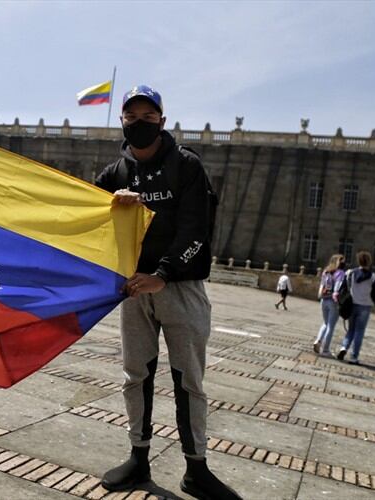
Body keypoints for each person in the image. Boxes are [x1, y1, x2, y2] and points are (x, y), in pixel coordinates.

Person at [94, 85, 241, 499]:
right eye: (132, 117)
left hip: (180, 286)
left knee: (188, 380)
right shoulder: (115, 175)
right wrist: (109, 205)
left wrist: (163, 272)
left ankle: (197, 468)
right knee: (135, 376)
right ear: (122, 121)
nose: (140, 123)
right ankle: (138, 459)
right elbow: (87, 218)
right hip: (135, 289)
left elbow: (197, 228)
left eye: (148, 116)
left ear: (162, 119)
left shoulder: (186, 166)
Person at [336, 251, 375, 365]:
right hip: (365, 307)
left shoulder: (350, 273)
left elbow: (342, 289)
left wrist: (341, 302)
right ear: (369, 262)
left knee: (351, 330)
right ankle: (354, 357)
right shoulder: (373, 277)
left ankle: (343, 347)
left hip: (352, 304)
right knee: (359, 331)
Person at [313, 254, 345, 355]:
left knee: (326, 323)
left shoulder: (326, 271)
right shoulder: (340, 273)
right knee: (331, 326)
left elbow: (322, 284)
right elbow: (338, 287)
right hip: (333, 301)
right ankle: (326, 349)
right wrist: (337, 297)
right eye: (342, 261)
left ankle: (318, 340)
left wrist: (320, 295)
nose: (343, 263)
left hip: (324, 299)